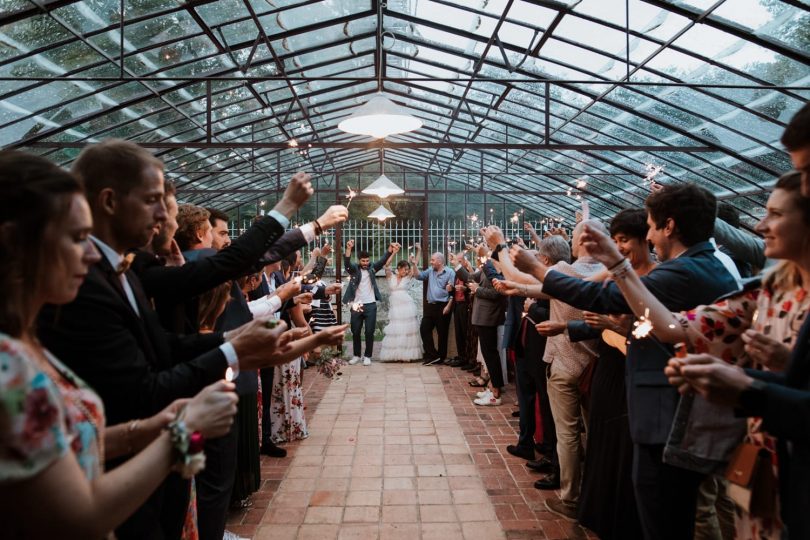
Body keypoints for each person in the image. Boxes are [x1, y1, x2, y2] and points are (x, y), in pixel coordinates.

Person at [35, 139, 319, 539]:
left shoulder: (126, 271)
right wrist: (229, 352)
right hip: (116, 488)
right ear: (109, 201)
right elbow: (138, 391)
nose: (161, 213)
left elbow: (162, 347)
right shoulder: (89, 286)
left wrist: (234, 343)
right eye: (153, 199)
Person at [0, 150, 238, 539]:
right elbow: (80, 517)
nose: (92, 252)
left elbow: (58, 448)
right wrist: (182, 432)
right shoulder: (8, 365)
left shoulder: (27, 344)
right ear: (15, 244)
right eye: (77, 237)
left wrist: (151, 428)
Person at [493, 183, 740, 540]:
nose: (650, 236)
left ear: (668, 226)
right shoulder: (700, 265)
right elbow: (660, 324)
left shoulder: (683, 271)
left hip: (676, 408)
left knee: (689, 511)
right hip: (674, 404)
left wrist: (538, 269)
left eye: (651, 227)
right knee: (686, 503)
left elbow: (604, 296)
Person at [581, 171, 810, 540]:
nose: (761, 224)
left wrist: (753, 385)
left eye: (776, 214)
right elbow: (677, 328)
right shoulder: (767, 290)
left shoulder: (703, 271)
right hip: (762, 459)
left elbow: (670, 328)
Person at [342, 240, 396, 366]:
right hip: (356, 305)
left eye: (367, 261)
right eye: (363, 261)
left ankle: (367, 356)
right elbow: (346, 263)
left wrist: (389, 249)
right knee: (355, 331)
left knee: (369, 331)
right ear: (359, 260)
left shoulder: (372, 268)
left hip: (371, 305)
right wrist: (349, 248)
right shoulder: (354, 269)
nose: (366, 263)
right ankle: (356, 355)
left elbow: (382, 261)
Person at [415, 245, 457, 365]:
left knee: (442, 333)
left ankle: (441, 357)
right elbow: (418, 276)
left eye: (433, 260)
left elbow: (452, 291)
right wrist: (414, 264)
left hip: (443, 306)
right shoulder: (430, 270)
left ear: (440, 261)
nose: (431, 262)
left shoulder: (450, 273)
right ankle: (432, 355)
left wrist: (449, 306)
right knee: (424, 328)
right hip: (430, 306)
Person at [379, 253, 423, 362]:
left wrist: (419, 251)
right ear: (399, 268)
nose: (407, 271)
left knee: (407, 331)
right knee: (396, 330)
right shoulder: (391, 277)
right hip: (396, 309)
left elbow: (414, 267)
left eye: (408, 270)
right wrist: (394, 252)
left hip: (407, 307)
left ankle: (406, 355)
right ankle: (396, 354)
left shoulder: (407, 278)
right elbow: (387, 264)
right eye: (405, 269)